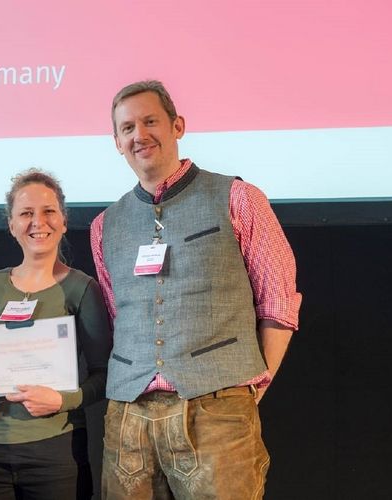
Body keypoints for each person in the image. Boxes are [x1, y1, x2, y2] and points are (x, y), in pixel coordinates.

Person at [90, 80, 302, 499]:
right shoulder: (105, 225)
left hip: (218, 411)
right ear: (116, 142)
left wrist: (251, 388)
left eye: (150, 121)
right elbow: (119, 313)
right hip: (128, 419)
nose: (139, 135)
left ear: (177, 125)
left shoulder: (238, 198)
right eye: (128, 127)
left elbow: (278, 301)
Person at [0, 169, 111, 500]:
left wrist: (63, 400)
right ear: (12, 224)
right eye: (26, 213)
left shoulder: (82, 288)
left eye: (48, 212)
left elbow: (106, 374)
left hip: (55, 455)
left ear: (63, 220)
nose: (37, 222)